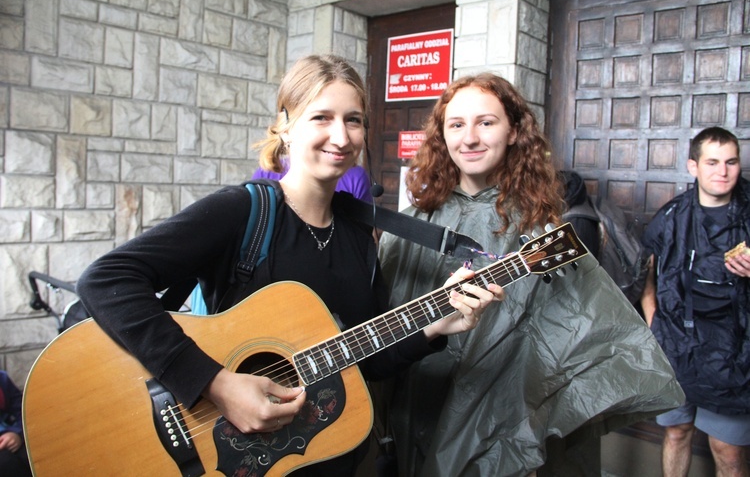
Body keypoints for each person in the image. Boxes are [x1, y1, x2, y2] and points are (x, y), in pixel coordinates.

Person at [75, 54, 503, 476]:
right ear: (285, 126)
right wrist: (216, 384)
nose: (341, 137)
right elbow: (105, 280)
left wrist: (435, 325)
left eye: (353, 120)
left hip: (323, 459)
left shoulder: (359, 235)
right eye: (322, 117)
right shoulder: (243, 211)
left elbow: (362, 360)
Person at [377, 73, 685, 476]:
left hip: (501, 422)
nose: (469, 138)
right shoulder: (411, 224)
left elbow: (578, 345)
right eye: (456, 124)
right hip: (417, 408)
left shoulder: (541, 231)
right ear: (441, 135)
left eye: (486, 122)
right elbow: (381, 328)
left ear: (514, 131)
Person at [641, 126, 750, 477]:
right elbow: (649, 279)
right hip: (676, 345)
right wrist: (653, 323)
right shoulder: (670, 217)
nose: (723, 171)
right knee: (675, 431)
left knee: (727, 449)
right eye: (713, 162)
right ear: (693, 167)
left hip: (734, 354)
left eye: (731, 162)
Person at [252, 160, 374, 203]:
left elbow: (367, 237)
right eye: (319, 118)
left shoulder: (356, 176)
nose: (341, 139)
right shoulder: (268, 172)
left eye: (352, 120)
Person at [0, 370, 31, 477]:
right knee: (6, 463)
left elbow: (22, 411)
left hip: (11, 435)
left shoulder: (2, 379)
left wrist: (17, 434)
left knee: (31, 455)